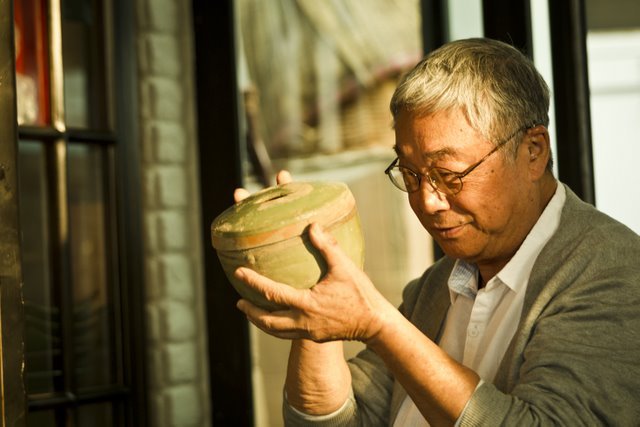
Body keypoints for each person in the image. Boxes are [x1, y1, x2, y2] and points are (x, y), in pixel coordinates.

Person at [234, 38, 640, 426]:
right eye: (410, 174)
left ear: (533, 152)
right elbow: (336, 422)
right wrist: (311, 293)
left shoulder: (613, 274)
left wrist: (378, 324)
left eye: (449, 174)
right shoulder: (436, 287)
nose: (428, 201)